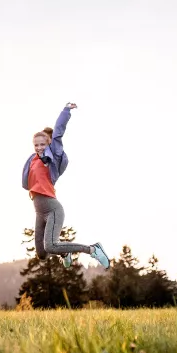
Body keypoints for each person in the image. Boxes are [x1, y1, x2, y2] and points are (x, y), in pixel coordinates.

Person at [22, 102, 110, 269]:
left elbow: (58, 132)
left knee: (50, 246)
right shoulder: (32, 160)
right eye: (36, 145)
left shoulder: (52, 158)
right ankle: (65, 252)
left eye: (43, 144)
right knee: (42, 253)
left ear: (48, 144)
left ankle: (92, 249)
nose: (39, 147)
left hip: (52, 208)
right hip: (39, 211)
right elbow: (26, 182)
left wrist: (66, 110)